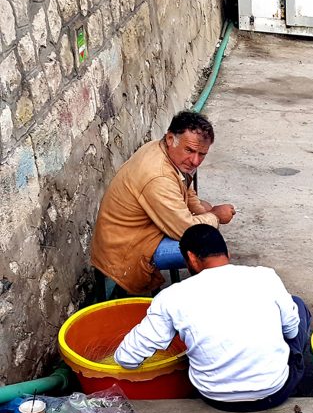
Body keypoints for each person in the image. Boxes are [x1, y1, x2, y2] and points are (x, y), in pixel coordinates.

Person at [114, 225, 312, 412]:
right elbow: (292, 330)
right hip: (275, 392)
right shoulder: (266, 277)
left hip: (215, 398)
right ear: (227, 254)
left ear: (190, 258)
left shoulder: (171, 297)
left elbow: (126, 359)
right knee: (297, 306)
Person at [91, 111, 236, 296]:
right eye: (190, 151)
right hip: (126, 249)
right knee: (210, 251)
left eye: (202, 154)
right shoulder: (158, 176)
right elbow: (186, 231)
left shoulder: (162, 149)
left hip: (137, 233)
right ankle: (205, 304)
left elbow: (185, 185)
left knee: (206, 220)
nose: (195, 161)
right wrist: (215, 217)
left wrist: (201, 210)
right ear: (170, 138)